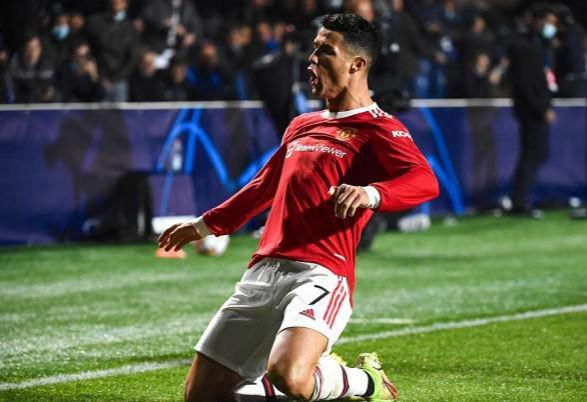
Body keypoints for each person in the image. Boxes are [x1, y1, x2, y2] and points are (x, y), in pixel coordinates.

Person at [158, 13, 439, 402]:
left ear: (357, 64)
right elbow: (263, 187)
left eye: (325, 51)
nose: (312, 59)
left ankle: (366, 381)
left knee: (290, 376)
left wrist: (371, 193)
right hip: (263, 270)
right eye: (313, 49)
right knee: (202, 395)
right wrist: (204, 226)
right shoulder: (302, 124)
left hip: (321, 273)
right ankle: (297, 375)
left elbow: (424, 180)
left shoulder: (379, 128)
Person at [506, 4, 558, 218]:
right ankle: (519, 202)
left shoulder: (540, 45)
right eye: (549, 22)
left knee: (536, 155)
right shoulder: (524, 46)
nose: (552, 27)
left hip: (537, 107)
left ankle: (521, 200)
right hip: (531, 110)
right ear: (538, 20)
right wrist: (542, 108)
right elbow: (526, 84)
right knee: (531, 156)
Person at [86, 0, 140, 102]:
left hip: (120, 80)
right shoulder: (96, 22)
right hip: (99, 79)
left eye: (120, 2)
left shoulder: (130, 27)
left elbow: (132, 57)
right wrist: (98, 75)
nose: (116, 4)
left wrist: (115, 78)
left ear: (125, 4)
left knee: (118, 111)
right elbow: (92, 48)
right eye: (114, 2)